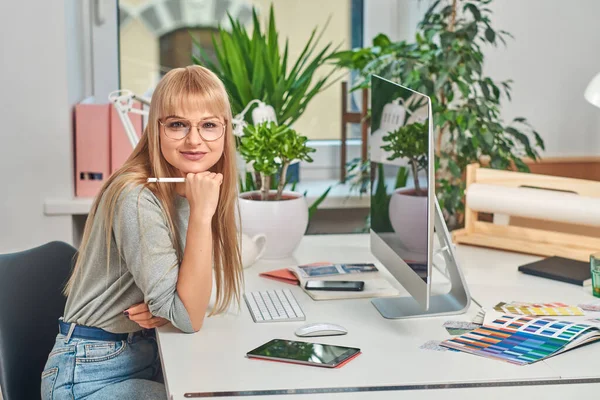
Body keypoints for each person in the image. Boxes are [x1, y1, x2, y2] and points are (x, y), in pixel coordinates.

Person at [41, 65, 244, 399]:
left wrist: (169, 305)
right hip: (92, 373)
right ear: (156, 129)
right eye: (178, 124)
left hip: (143, 357)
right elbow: (188, 316)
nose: (194, 139)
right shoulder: (136, 197)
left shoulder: (190, 186)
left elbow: (190, 300)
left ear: (225, 131)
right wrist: (175, 306)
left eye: (209, 125)